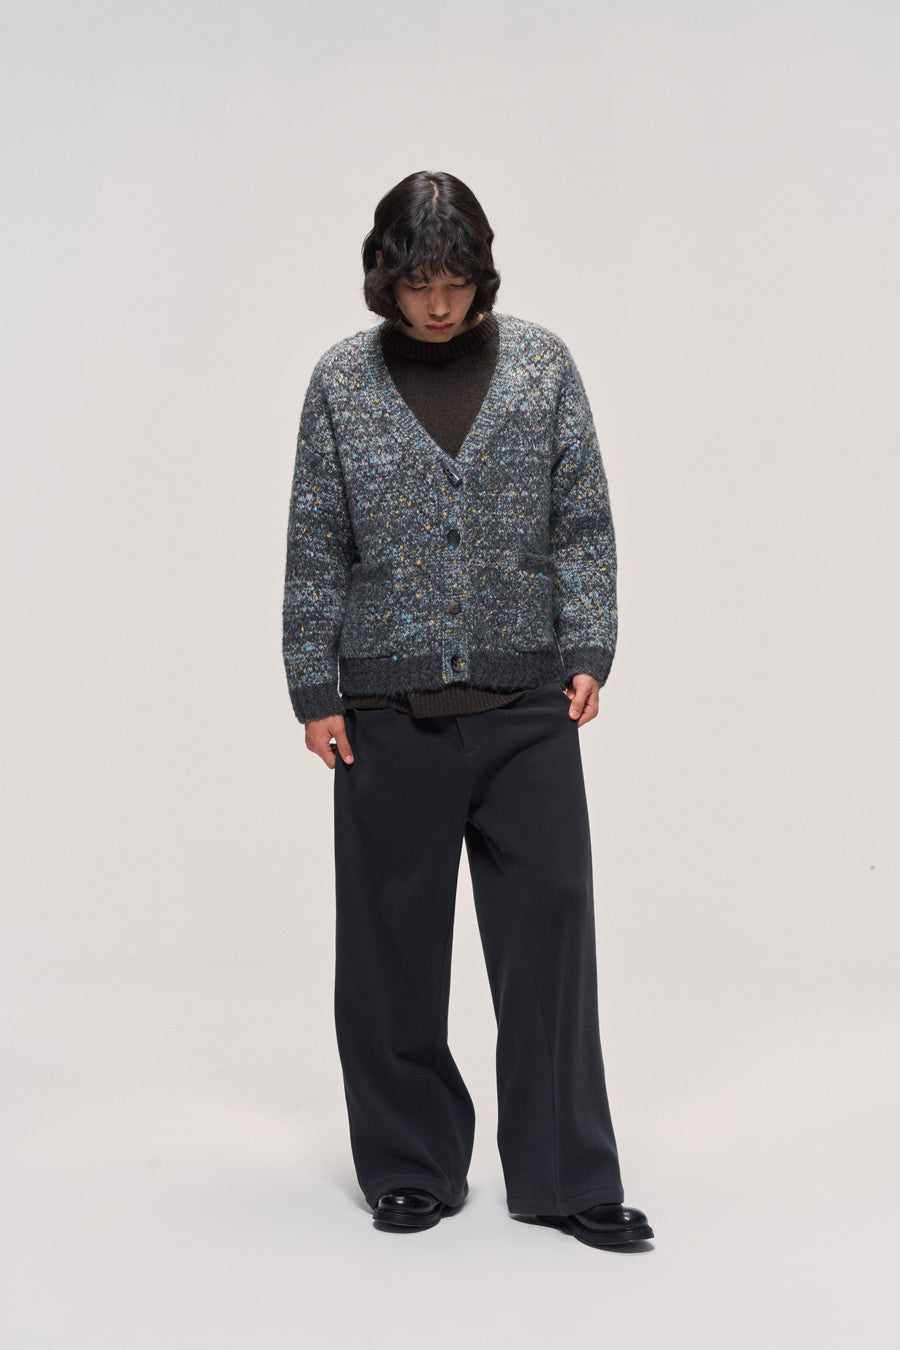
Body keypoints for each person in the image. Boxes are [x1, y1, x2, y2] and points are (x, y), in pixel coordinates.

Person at [282, 170, 654, 1249]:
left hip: (527, 705)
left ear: (483, 275)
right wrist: (313, 685)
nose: (438, 305)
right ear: (384, 279)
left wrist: (589, 647)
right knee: (391, 946)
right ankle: (411, 1166)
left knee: (550, 939)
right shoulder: (340, 382)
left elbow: (582, 521)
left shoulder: (543, 366)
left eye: (455, 282)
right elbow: (315, 541)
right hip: (383, 710)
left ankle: (566, 1175)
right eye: (418, 285)